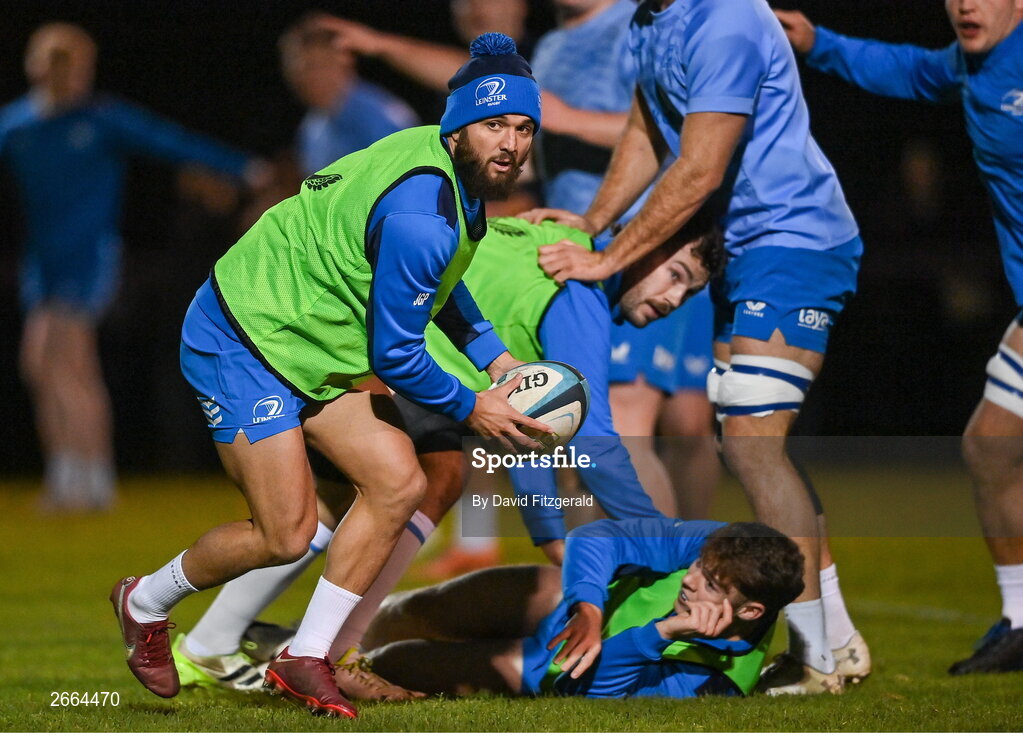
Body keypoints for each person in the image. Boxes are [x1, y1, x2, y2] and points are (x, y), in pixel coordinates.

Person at [109, 33, 548, 719]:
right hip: (243, 337)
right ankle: (144, 601)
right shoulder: (422, 210)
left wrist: (496, 357)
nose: (512, 143)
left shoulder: (443, 169)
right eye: (495, 125)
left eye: (524, 128)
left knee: (398, 482)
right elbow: (398, 355)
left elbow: (442, 283)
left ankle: (303, 656)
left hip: (305, 339)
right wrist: (475, 406)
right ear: (459, 126)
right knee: (285, 532)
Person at [168, 213, 725, 699]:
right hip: (403, 351)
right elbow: (594, 442)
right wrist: (663, 539)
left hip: (366, 337)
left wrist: (549, 531)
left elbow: (524, 432)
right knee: (425, 480)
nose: (674, 300)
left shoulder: (554, 236)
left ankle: (220, 643)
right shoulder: (579, 294)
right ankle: (330, 653)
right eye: (676, 275)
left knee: (352, 501)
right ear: (644, 243)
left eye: (690, 292)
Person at [520, 0, 869, 694]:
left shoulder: (727, 18)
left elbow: (700, 167)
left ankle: (817, 659)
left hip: (790, 242)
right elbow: (648, 127)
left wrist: (605, 256)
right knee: (747, 443)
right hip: (743, 251)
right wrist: (594, 220)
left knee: (750, 445)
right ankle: (837, 643)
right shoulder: (653, 21)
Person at [773, 0, 1023, 675]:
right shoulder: (973, 65)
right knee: (991, 448)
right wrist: (817, 42)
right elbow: (909, 69)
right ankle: (1021, 621)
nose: (965, 4)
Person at [0, 23, 266, 513]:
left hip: (90, 257)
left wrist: (245, 169)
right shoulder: (18, 125)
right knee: (40, 364)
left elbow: (170, 142)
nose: (76, 76)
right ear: (39, 67)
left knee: (69, 360)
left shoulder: (102, 119)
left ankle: (92, 480)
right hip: (42, 262)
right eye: (64, 65)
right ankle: (67, 472)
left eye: (82, 66)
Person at [359, 517, 805, 699]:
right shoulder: (722, 544)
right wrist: (588, 607)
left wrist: (661, 634)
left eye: (708, 583)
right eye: (697, 567)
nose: (690, 579)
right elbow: (597, 537)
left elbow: (594, 692)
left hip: (555, 668)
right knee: (424, 606)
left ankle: (323, 659)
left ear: (750, 612)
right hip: (569, 605)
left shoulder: (717, 683)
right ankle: (317, 636)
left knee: (400, 664)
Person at [279, 15, 419, 177]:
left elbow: (411, 178)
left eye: (313, 66)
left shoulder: (377, 114)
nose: (303, 79)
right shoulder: (310, 128)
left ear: (344, 62)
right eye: (294, 70)